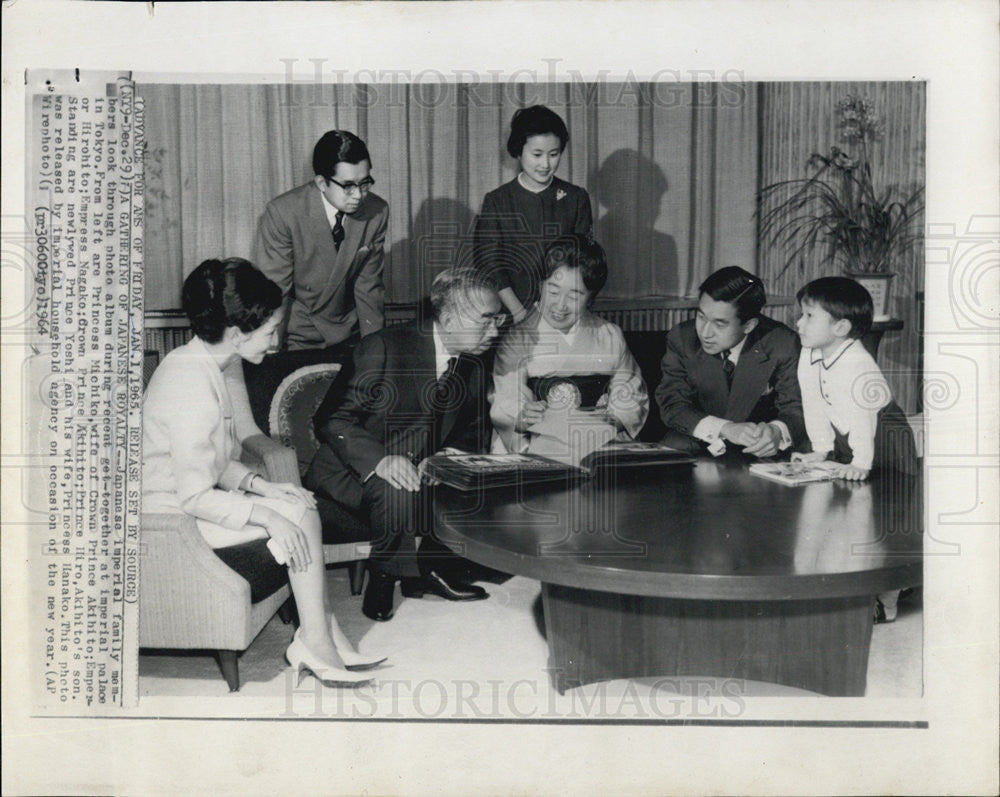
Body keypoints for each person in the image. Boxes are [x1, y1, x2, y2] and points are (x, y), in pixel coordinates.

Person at [143, 258, 385, 686]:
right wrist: (268, 514)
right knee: (296, 514)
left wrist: (263, 487)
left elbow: (212, 462)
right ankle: (316, 640)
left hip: (187, 499)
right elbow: (194, 495)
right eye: (271, 331)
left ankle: (321, 633)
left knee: (296, 501)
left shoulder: (203, 362)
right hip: (169, 520)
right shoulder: (190, 385)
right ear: (237, 334)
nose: (275, 342)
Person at [305, 267, 504, 622]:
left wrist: (447, 458)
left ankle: (432, 569)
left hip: (420, 469)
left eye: (498, 317)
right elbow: (331, 419)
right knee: (395, 485)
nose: (496, 329)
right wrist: (380, 460)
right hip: (350, 471)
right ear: (449, 315)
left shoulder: (473, 365)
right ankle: (384, 578)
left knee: (475, 479)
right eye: (486, 319)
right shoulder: (383, 347)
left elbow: (472, 432)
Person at [790, 276, 918, 622]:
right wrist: (821, 449)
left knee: (880, 520)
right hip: (849, 437)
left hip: (885, 439)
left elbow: (865, 417)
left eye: (809, 316)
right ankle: (842, 587)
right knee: (847, 517)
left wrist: (861, 460)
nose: (798, 323)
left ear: (841, 327)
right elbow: (812, 402)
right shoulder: (808, 353)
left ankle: (886, 601)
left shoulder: (858, 363)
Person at [244, 130, 389, 430]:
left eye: (365, 183)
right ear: (321, 182)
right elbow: (275, 292)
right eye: (348, 186)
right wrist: (271, 353)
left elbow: (368, 289)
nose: (359, 195)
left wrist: (378, 352)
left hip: (348, 337)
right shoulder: (283, 213)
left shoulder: (376, 212)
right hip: (296, 336)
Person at [491, 234, 648, 458]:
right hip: (538, 443)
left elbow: (631, 391)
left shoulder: (609, 335)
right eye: (553, 291)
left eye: (575, 296)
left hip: (599, 441)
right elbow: (505, 397)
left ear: (592, 298)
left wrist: (613, 420)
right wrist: (522, 415)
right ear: (540, 285)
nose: (560, 306)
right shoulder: (518, 339)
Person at [656, 266, 805, 457]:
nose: (705, 332)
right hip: (700, 440)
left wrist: (776, 431)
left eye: (719, 324)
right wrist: (726, 428)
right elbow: (672, 404)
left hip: (759, 449)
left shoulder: (783, 343)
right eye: (701, 316)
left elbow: (795, 408)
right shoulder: (682, 338)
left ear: (749, 325)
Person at [475, 105, 593, 324]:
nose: (546, 164)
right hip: (513, 315)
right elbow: (490, 265)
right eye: (537, 154)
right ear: (519, 151)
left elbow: (584, 264)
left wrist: (561, 310)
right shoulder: (498, 201)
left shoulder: (576, 198)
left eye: (554, 154)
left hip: (564, 314)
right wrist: (520, 314)